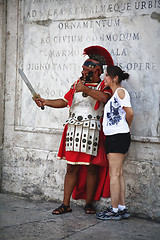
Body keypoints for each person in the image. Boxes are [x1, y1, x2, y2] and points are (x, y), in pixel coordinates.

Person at [35, 46, 114, 214]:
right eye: (83, 70)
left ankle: (89, 203)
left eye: (87, 70)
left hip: (92, 130)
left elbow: (105, 99)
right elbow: (65, 101)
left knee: (92, 168)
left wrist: (85, 89)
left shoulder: (103, 86)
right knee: (71, 168)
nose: (83, 73)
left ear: (97, 71)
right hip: (73, 130)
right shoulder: (76, 85)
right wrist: (46, 102)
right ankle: (65, 204)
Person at [97, 65, 134, 221]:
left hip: (118, 137)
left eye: (106, 75)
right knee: (118, 174)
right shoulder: (115, 95)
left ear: (115, 78)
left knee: (114, 174)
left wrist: (125, 127)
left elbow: (130, 113)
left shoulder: (120, 92)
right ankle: (122, 208)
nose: (104, 78)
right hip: (116, 136)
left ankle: (114, 210)